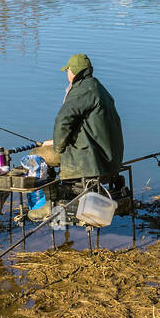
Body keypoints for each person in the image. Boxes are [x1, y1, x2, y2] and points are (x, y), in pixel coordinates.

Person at [31, 54, 125, 220]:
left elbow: (63, 121)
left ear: (72, 71)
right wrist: (54, 140)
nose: (66, 74)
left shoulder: (81, 91)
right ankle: (57, 196)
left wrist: (58, 146)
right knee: (46, 150)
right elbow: (86, 126)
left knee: (35, 156)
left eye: (67, 70)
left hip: (89, 157)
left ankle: (47, 205)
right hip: (107, 155)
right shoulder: (98, 88)